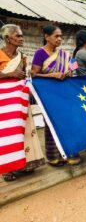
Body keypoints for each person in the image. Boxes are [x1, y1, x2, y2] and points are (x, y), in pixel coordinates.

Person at [31, 25, 81, 166]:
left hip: (65, 93)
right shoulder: (40, 53)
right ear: (47, 37)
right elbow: (33, 75)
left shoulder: (64, 54)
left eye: (61, 36)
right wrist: (51, 75)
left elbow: (74, 68)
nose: (60, 39)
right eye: (56, 36)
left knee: (69, 122)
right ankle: (54, 157)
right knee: (52, 123)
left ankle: (70, 154)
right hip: (49, 95)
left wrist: (70, 72)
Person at [0, 24, 45, 181]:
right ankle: (8, 168)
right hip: (4, 103)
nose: (21, 38)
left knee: (25, 131)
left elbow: (25, 77)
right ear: (7, 38)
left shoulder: (22, 57)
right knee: (6, 134)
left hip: (20, 99)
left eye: (21, 35)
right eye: (18, 36)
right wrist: (10, 74)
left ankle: (25, 164)